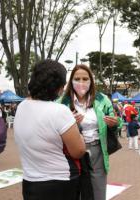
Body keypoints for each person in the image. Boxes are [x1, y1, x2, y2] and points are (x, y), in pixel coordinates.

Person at [14, 59, 86, 200]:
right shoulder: (60, 111)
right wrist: (77, 129)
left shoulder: (21, 106)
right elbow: (78, 151)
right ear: (58, 87)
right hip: (59, 182)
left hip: (30, 181)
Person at [60, 64, 118, 200]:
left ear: (91, 81)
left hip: (97, 150)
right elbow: (54, 128)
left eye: (85, 79)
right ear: (71, 81)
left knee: (98, 189)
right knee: (75, 189)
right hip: (73, 151)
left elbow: (116, 120)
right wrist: (71, 124)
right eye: (77, 78)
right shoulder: (62, 102)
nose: (81, 82)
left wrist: (114, 123)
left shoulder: (102, 99)